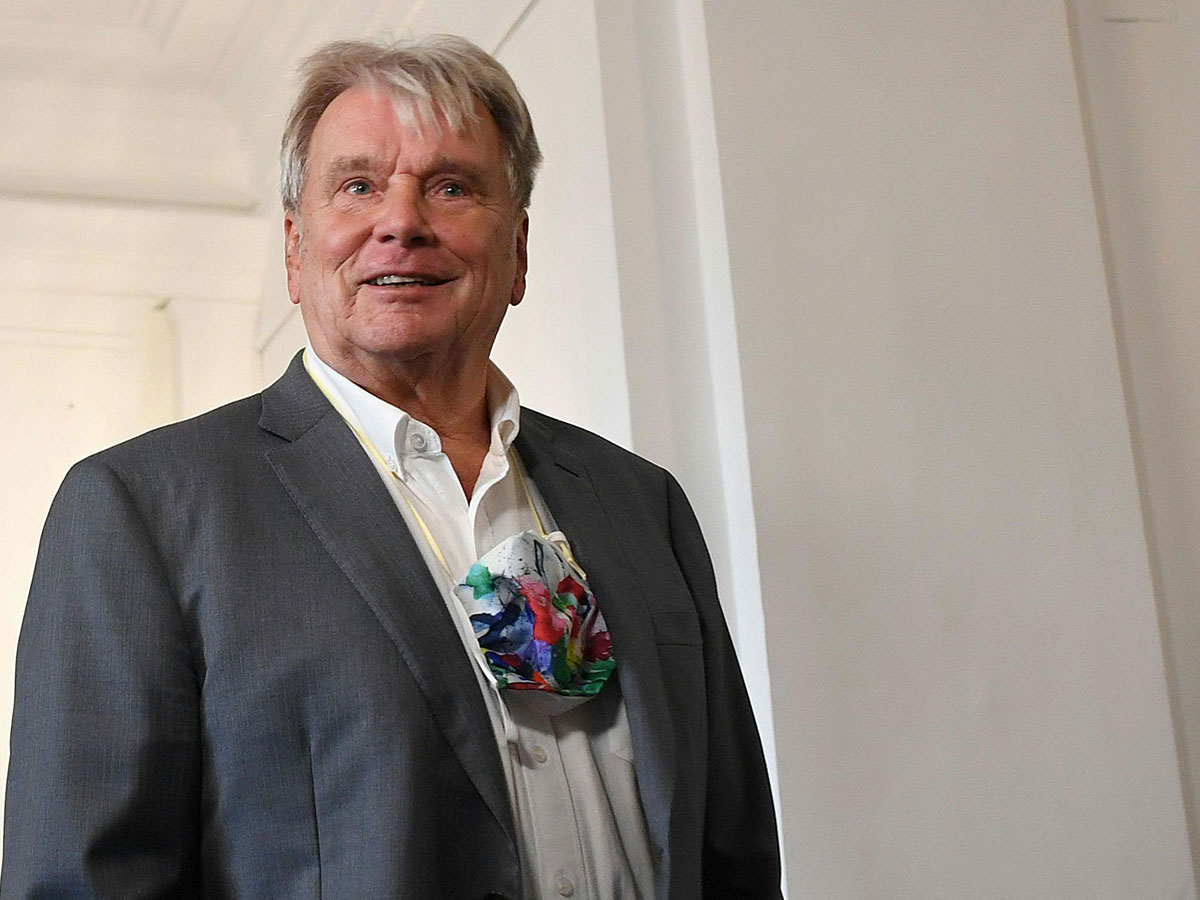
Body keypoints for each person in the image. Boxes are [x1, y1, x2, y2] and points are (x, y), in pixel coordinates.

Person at [2, 36, 781, 900]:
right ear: (295, 250)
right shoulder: (143, 510)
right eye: (358, 186)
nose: (402, 221)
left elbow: (733, 852)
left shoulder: (641, 503)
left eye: (451, 187)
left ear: (519, 252)